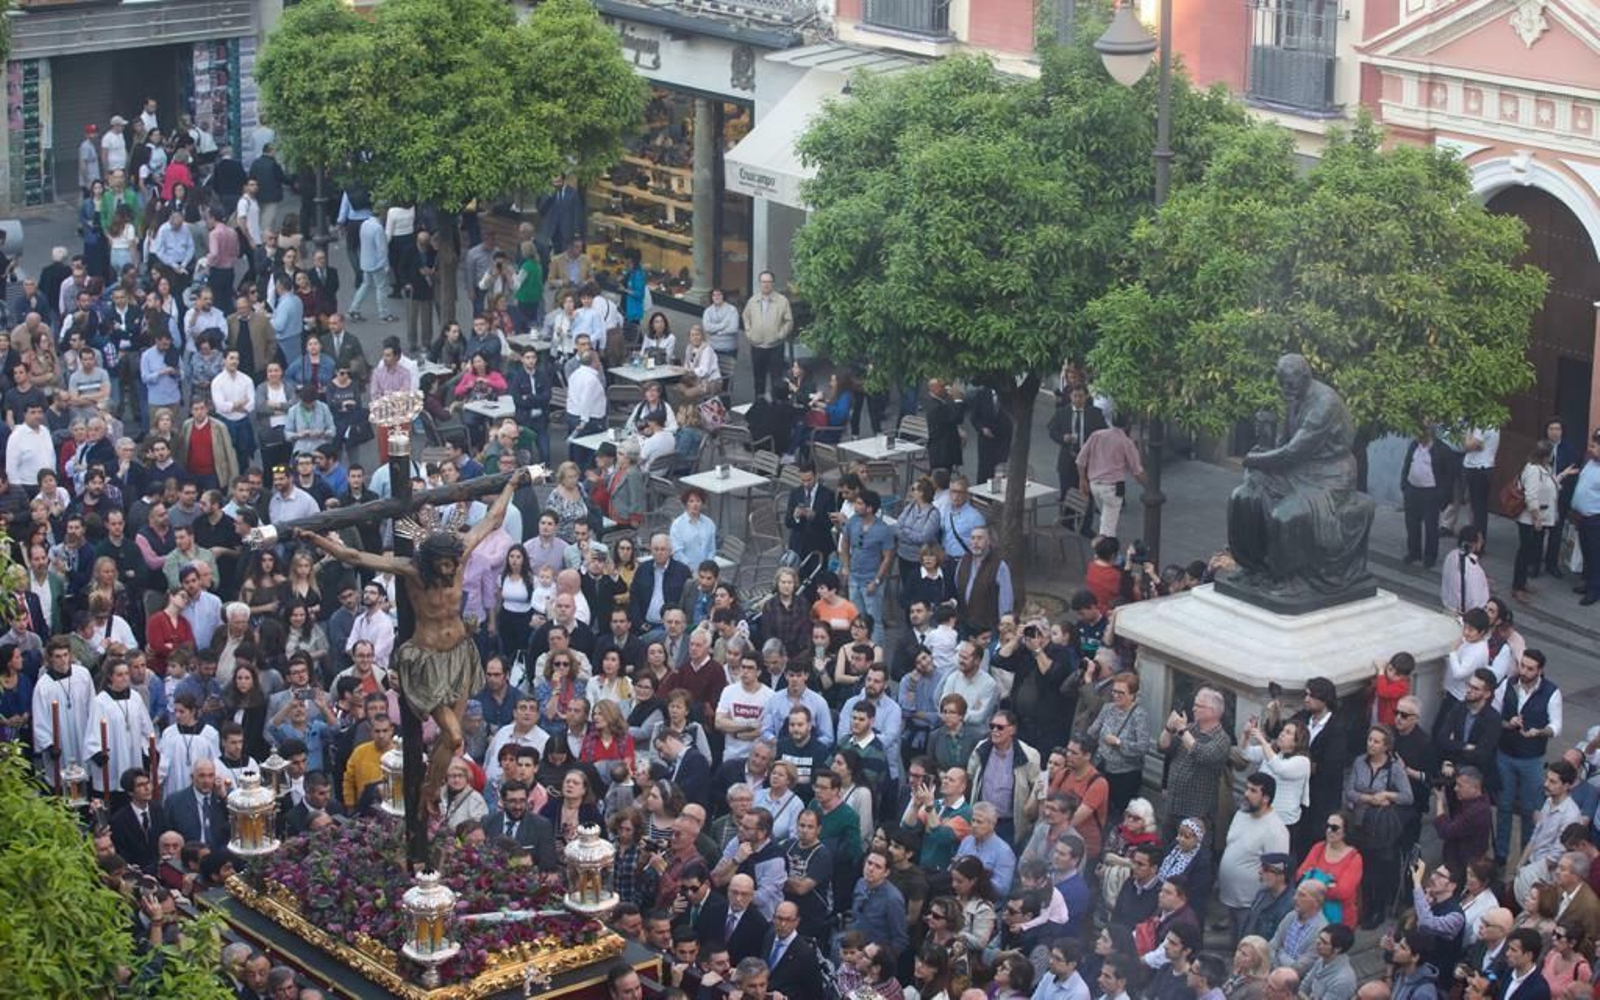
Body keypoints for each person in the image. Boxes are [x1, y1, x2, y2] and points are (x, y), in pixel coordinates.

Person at [296, 468, 539, 812]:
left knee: (450, 741)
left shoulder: (459, 555)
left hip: (460, 654)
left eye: (451, 563)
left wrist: (512, 484)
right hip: (426, 661)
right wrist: (318, 539)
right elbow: (355, 557)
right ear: (428, 562)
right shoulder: (411, 570)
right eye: (441, 564)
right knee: (455, 735)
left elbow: (493, 520)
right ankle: (427, 788)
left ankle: (429, 791)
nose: (448, 569)